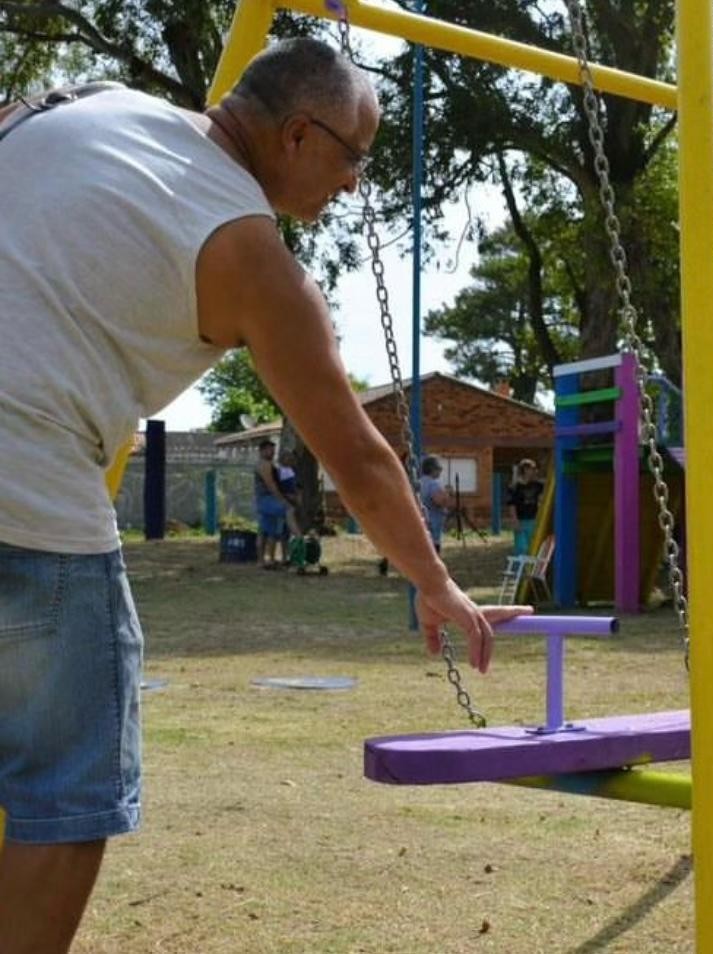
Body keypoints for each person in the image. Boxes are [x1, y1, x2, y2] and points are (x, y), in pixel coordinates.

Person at [0, 38, 528, 953]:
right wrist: (435, 582)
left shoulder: (90, 103)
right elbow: (356, 457)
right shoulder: (250, 253)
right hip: (29, 502)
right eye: (355, 157)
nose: (355, 183)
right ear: (297, 134)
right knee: (67, 796)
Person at [254, 439, 291, 569]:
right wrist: (282, 500)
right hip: (267, 500)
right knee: (269, 531)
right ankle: (266, 560)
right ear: (262, 451)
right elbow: (271, 484)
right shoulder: (264, 464)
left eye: (273, 450)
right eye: (270, 450)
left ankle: (267, 560)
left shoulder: (270, 464)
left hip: (267, 500)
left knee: (266, 530)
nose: (272, 453)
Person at [508, 458, 545, 555]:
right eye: (533, 469)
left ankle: (530, 564)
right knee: (521, 547)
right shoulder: (515, 486)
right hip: (520, 520)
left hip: (533, 520)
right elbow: (511, 504)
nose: (535, 471)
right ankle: (520, 564)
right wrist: (514, 520)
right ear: (526, 470)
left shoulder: (538, 485)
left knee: (533, 546)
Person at [419, 457, 452, 553]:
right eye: (439, 468)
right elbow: (439, 501)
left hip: (421, 522)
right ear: (432, 469)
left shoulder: (419, 482)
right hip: (433, 523)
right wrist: (447, 493)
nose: (441, 471)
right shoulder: (433, 484)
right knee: (434, 549)